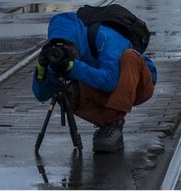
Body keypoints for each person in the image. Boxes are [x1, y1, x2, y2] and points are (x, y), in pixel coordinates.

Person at [31, 10, 157, 153]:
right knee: (67, 93)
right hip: (110, 91)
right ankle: (111, 125)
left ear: (76, 39)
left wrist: (74, 67)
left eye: (68, 46)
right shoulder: (60, 56)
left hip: (139, 84)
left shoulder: (104, 36)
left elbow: (110, 81)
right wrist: (41, 70)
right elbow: (42, 95)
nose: (67, 52)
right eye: (58, 47)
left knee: (130, 57)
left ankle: (114, 119)